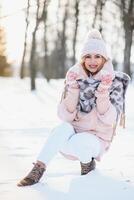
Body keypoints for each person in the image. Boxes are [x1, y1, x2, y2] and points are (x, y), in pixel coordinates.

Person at [17, 29, 130, 187]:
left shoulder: (113, 81)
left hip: (97, 140)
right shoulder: (75, 77)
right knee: (62, 128)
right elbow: (66, 117)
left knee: (79, 141)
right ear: (82, 59)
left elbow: (109, 119)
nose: (92, 61)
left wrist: (103, 92)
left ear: (105, 59)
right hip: (74, 136)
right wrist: (73, 88)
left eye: (98, 56)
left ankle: (88, 164)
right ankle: (38, 168)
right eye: (88, 56)